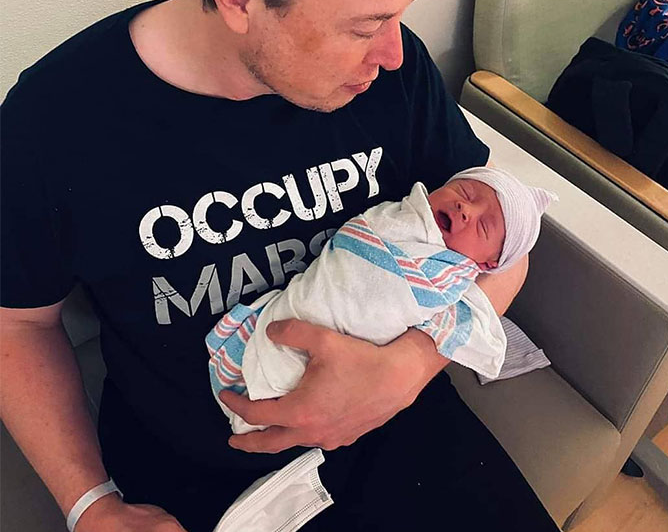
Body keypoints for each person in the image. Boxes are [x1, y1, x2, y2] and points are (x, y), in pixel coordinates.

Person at [0, 0, 579, 532]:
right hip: (198, 469)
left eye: (399, 16)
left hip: (396, 416)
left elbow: (501, 242)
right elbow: (17, 324)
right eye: (366, 26)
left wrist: (403, 373)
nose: (397, 54)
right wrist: (91, 509)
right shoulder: (57, 120)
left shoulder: (389, 80)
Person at [208, 167, 556, 435]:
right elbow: (360, 240)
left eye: (484, 227)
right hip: (292, 314)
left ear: (484, 265)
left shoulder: (451, 274)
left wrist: (407, 366)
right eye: (464, 191)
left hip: (374, 385)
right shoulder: (401, 217)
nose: (466, 208)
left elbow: (492, 284)